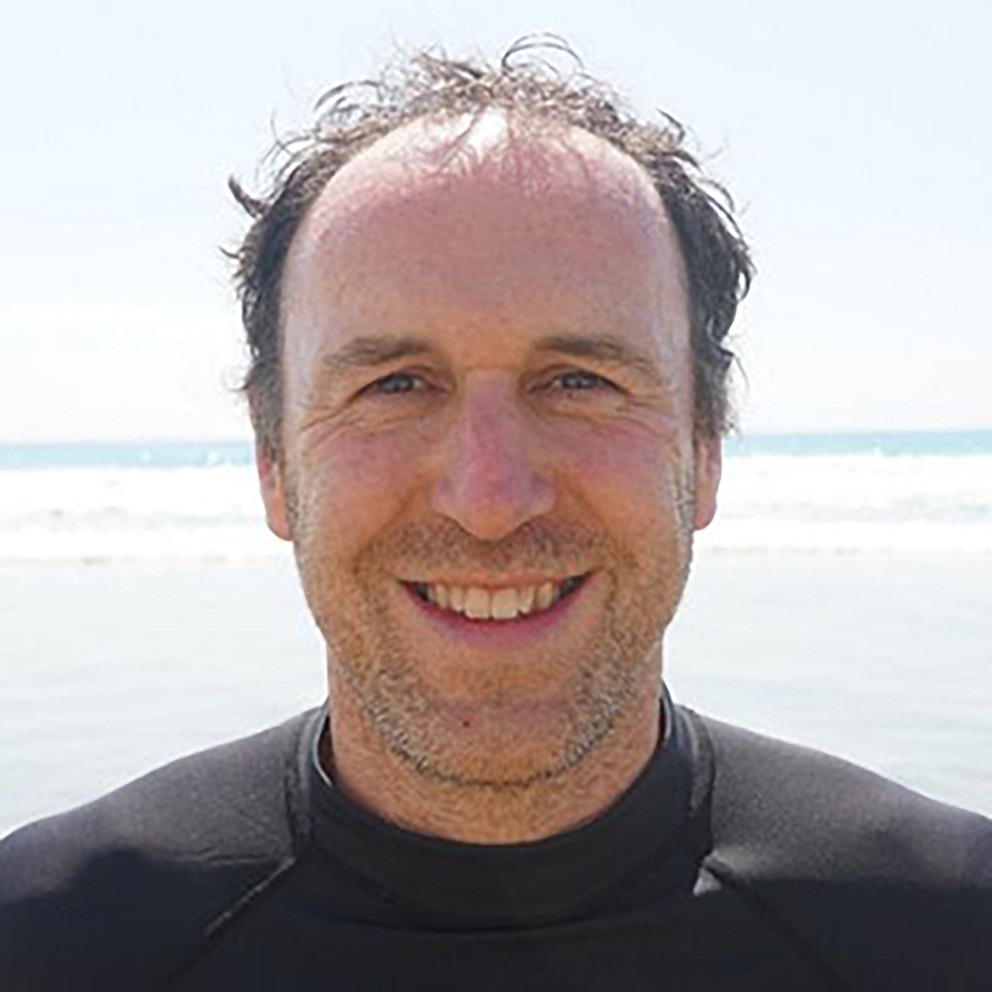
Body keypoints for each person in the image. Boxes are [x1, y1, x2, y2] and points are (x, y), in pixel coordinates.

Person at [1, 40, 989, 991]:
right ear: (271, 461)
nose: (487, 499)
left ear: (703, 449)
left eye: (576, 379)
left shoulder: (946, 928)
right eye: (394, 384)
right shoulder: (49, 939)